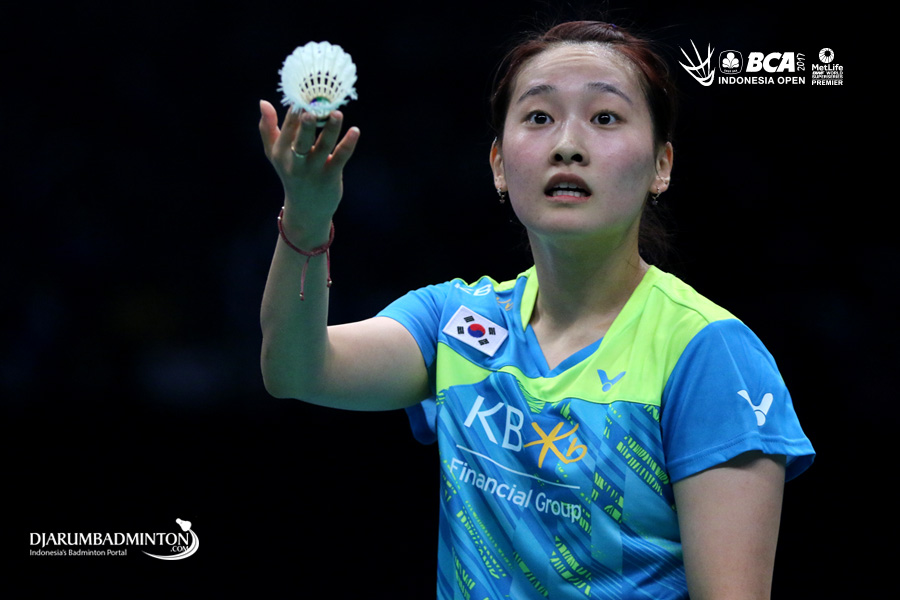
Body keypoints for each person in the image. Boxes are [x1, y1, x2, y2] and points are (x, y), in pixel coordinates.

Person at [258, 20, 814, 600]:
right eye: (539, 117)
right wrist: (307, 214)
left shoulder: (706, 352)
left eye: (605, 117)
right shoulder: (455, 322)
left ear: (661, 165)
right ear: (499, 164)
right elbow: (296, 369)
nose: (567, 144)